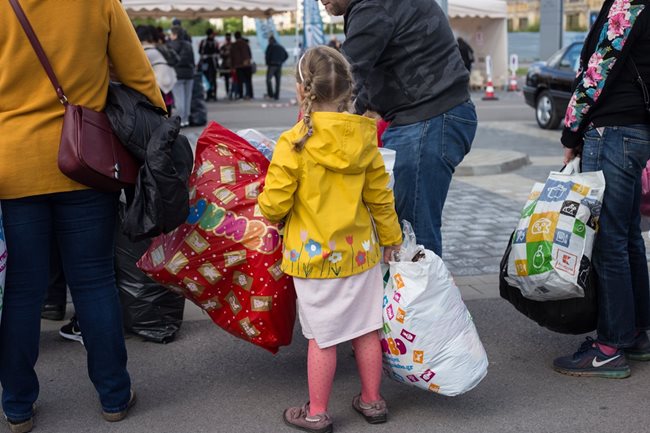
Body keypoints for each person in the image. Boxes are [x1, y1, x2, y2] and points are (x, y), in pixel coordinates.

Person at [0, 0, 165, 431]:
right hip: (85, 159)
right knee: (94, 282)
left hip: (12, 167)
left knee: (21, 289)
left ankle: (17, 404)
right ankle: (114, 395)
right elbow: (137, 73)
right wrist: (155, 128)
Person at [258, 46, 402, 433]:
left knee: (323, 338)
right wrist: (391, 237)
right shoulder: (364, 137)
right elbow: (379, 196)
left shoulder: (293, 142)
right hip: (361, 254)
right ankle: (372, 401)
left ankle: (317, 412)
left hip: (313, 258)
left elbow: (273, 206)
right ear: (347, 89)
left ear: (303, 88)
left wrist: (268, 207)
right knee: (366, 328)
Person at [320, 0, 477, 257]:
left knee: (411, 235)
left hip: (428, 118)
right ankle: (415, 291)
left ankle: (420, 296)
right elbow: (371, 76)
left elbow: (344, 76)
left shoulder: (372, 6)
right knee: (409, 230)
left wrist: (314, 130)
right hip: (431, 116)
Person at [553, 0, 650, 379]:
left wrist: (571, 132)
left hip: (611, 132)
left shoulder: (627, 4)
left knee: (609, 242)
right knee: (626, 237)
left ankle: (609, 347)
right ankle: (637, 332)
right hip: (636, 130)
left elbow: (598, 70)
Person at [138, 25, 178, 114]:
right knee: (166, 107)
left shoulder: (144, 48)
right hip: (167, 77)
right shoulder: (159, 46)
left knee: (160, 109)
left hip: (158, 80)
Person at [168, 25, 196, 127]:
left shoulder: (170, 45)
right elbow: (193, 60)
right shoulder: (189, 45)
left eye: (171, 34)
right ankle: (186, 119)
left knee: (179, 99)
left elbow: (170, 61)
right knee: (187, 98)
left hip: (177, 75)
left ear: (175, 35)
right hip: (189, 74)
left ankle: (180, 120)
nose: (170, 36)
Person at [230, 31, 254, 99]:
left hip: (238, 66)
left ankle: (240, 95)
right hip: (247, 65)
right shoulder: (246, 44)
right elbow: (250, 54)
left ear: (235, 37)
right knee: (248, 81)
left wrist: (232, 66)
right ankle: (250, 95)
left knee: (240, 81)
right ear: (240, 36)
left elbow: (231, 57)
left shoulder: (233, 45)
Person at [198, 28, 219, 101]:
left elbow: (217, 52)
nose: (214, 36)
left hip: (212, 64)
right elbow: (200, 52)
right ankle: (208, 94)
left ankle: (214, 95)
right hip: (206, 63)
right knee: (206, 79)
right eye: (213, 34)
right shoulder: (204, 42)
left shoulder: (215, 42)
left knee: (213, 79)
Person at [219, 33, 233, 98]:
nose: (228, 39)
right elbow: (220, 55)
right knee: (227, 80)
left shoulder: (233, 46)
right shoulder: (223, 47)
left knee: (233, 80)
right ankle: (228, 92)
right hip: (226, 65)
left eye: (229, 38)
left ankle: (232, 92)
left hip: (233, 65)